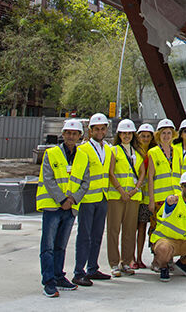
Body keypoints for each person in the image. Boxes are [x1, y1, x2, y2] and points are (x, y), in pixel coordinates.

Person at [37, 118, 83, 297]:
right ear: (63, 134)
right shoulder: (52, 153)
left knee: (61, 246)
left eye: (75, 133)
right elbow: (48, 179)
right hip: (52, 206)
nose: (71, 136)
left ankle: (58, 276)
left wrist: (72, 199)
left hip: (70, 208)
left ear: (80, 136)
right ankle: (48, 281)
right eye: (68, 133)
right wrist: (62, 199)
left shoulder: (82, 156)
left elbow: (85, 182)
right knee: (48, 246)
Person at [68, 112, 113, 287]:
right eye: (97, 129)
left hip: (102, 197)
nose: (100, 132)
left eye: (103, 129)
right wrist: (73, 198)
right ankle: (79, 271)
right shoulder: (83, 150)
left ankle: (92, 268)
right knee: (84, 236)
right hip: (87, 199)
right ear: (90, 130)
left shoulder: (107, 149)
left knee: (97, 235)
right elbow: (77, 175)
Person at [106, 118, 145, 277]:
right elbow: (111, 172)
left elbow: (142, 172)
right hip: (117, 196)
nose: (127, 136)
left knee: (129, 230)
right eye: (124, 133)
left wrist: (136, 189)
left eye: (129, 133)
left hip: (133, 197)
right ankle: (114, 263)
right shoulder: (114, 151)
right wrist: (121, 190)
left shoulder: (138, 153)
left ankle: (127, 262)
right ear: (119, 134)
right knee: (114, 230)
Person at [148, 119, 181, 240]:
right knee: (157, 227)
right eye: (163, 133)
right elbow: (150, 178)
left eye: (169, 133)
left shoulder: (177, 151)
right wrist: (151, 200)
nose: (166, 136)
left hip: (175, 196)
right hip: (159, 198)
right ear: (158, 135)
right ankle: (158, 255)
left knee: (172, 227)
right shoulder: (153, 152)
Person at [134, 123, 156, 269]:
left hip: (153, 195)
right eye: (143, 136)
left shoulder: (155, 151)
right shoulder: (134, 152)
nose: (146, 138)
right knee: (140, 228)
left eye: (148, 136)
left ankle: (157, 257)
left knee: (154, 229)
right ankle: (138, 257)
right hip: (140, 196)